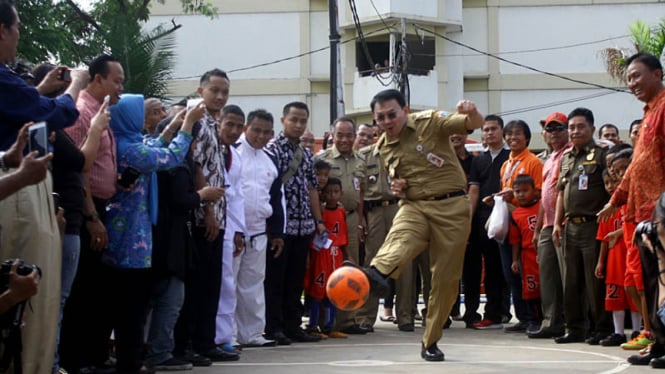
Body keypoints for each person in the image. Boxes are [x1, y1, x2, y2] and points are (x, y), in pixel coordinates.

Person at [347, 89, 484, 361]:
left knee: (444, 280)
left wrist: (471, 111)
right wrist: (399, 186)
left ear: (405, 110)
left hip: (452, 208)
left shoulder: (430, 121)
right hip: (415, 205)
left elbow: (473, 124)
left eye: (391, 114)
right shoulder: (383, 147)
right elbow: (399, 180)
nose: (387, 121)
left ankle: (430, 340)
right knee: (400, 237)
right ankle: (376, 275)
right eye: (380, 118)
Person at [0, 3, 88, 371]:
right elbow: (57, 115)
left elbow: (22, 110)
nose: (19, 35)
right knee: (32, 295)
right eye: (17, 27)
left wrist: (39, 91)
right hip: (17, 191)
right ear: (2, 30)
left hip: (16, 179)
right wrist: (78, 85)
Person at [102, 94, 199, 372]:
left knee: (134, 306)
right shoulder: (128, 149)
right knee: (131, 309)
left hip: (134, 237)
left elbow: (155, 146)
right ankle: (129, 363)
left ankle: (130, 360)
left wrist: (173, 126)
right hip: (129, 240)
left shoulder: (127, 143)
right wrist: (189, 124)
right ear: (129, 117)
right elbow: (169, 157)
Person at [597, 52, 665, 365]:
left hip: (660, 213)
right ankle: (658, 342)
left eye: (637, 75)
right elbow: (637, 167)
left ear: (657, 73)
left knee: (663, 282)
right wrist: (615, 201)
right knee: (649, 283)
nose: (632, 83)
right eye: (628, 79)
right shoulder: (649, 113)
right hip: (640, 216)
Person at [59, 54, 125, 373]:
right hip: (85, 212)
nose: (120, 87)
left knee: (95, 290)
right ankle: (75, 361)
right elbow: (78, 169)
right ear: (97, 80)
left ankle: (90, 357)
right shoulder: (80, 112)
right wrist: (90, 216)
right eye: (117, 80)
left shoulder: (102, 112)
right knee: (81, 291)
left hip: (100, 208)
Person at [145, 117, 224, 371]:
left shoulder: (172, 160)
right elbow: (181, 200)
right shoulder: (173, 164)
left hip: (169, 237)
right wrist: (203, 196)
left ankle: (162, 349)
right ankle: (160, 352)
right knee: (170, 298)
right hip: (168, 239)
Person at [174, 69, 238, 363]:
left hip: (219, 216)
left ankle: (205, 342)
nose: (220, 96)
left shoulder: (213, 123)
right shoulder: (195, 120)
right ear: (201, 91)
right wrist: (208, 210)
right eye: (214, 90)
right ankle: (186, 345)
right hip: (201, 216)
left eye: (224, 91)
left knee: (212, 285)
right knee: (196, 286)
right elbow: (196, 166)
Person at [264, 102, 326, 345]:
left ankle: (293, 325)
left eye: (303, 121)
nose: (298, 125)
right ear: (283, 120)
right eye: (294, 120)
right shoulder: (272, 149)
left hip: (304, 227)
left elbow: (312, 189)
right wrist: (272, 226)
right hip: (281, 228)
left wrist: (318, 220)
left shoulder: (306, 153)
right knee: (276, 279)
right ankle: (274, 326)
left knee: (296, 280)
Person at [553, 107, 611, 345]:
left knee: (594, 280)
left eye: (581, 126)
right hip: (570, 227)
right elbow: (561, 192)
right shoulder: (566, 157)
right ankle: (574, 327)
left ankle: (601, 328)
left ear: (592, 129)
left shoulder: (601, 155)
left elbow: (611, 188)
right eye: (572, 127)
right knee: (571, 280)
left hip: (593, 224)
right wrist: (557, 223)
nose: (575, 131)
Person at [233, 109, 284, 348]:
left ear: (272, 133)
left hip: (259, 232)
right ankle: (227, 336)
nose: (260, 136)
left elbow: (276, 199)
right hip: (233, 232)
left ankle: (252, 334)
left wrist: (277, 232)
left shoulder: (270, 160)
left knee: (253, 285)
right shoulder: (232, 153)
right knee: (228, 284)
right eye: (256, 130)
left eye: (266, 132)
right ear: (246, 128)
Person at [486, 119, 543, 333]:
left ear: (527, 137)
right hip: (508, 222)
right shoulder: (506, 164)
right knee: (511, 271)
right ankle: (522, 316)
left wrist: (514, 197)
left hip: (525, 222)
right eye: (509, 134)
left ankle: (534, 317)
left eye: (517, 133)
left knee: (527, 272)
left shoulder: (533, 162)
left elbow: (539, 192)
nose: (512, 138)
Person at [316, 117, 368, 334]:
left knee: (350, 268)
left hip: (351, 219)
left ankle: (348, 320)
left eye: (349, 135)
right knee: (326, 268)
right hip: (327, 220)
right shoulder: (322, 159)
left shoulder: (360, 160)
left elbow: (362, 192)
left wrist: (361, 219)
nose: (345, 139)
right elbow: (315, 192)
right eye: (340, 135)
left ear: (355, 136)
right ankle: (323, 321)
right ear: (333, 135)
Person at [465, 115, 511, 330]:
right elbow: (473, 191)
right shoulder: (478, 160)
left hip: (507, 216)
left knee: (506, 267)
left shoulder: (510, 157)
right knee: (490, 266)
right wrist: (469, 219)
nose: (490, 133)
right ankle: (492, 313)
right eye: (486, 129)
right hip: (483, 219)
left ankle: (504, 311)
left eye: (494, 129)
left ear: (502, 131)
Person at [528, 112, 571, 339]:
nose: (553, 133)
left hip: (563, 223)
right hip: (546, 224)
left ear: (567, 130)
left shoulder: (571, 154)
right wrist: (537, 230)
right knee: (548, 275)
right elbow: (545, 195)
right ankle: (550, 322)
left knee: (567, 277)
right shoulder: (548, 158)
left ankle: (572, 323)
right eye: (549, 129)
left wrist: (557, 222)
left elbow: (563, 192)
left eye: (558, 128)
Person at [214, 105, 246, 354]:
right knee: (208, 285)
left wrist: (238, 232)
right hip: (206, 223)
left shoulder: (235, 155)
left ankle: (223, 337)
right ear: (218, 122)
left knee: (227, 283)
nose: (234, 131)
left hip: (228, 227)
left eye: (238, 126)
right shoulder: (207, 149)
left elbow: (236, 197)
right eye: (229, 125)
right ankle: (204, 337)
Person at [593, 168, 635, 347]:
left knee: (634, 295)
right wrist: (601, 262)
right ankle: (618, 333)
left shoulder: (630, 206)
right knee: (614, 297)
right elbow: (603, 239)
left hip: (630, 255)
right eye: (607, 183)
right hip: (614, 260)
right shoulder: (606, 211)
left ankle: (637, 331)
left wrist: (619, 233)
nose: (611, 186)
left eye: (614, 181)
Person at [304, 178, 348, 339]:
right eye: (328, 192)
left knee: (334, 291)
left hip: (336, 254)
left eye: (335, 192)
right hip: (322, 253)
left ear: (341, 193)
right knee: (318, 289)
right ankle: (312, 325)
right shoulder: (320, 212)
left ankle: (329, 326)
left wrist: (347, 256)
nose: (332, 195)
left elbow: (344, 235)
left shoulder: (341, 211)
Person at [509, 175, 543, 332]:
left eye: (525, 191)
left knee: (546, 287)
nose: (521, 195)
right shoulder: (515, 214)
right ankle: (531, 320)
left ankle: (547, 318)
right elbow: (515, 240)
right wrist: (515, 260)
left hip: (543, 253)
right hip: (526, 256)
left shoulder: (542, 207)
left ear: (535, 192)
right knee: (529, 288)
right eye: (517, 192)